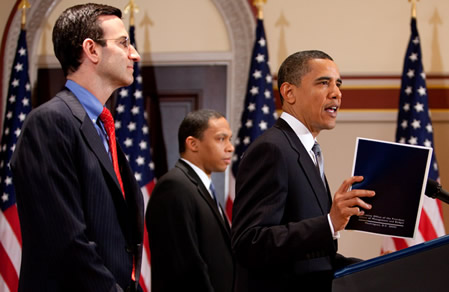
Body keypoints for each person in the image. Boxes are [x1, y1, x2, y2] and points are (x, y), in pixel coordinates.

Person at [11, 4, 144, 292]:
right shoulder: (49, 123)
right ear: (91, 50)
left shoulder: (102, 127)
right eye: (124, 43)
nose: (135, 54)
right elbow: (67, 241)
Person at [231, 50, 376, 292]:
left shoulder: (307, 150)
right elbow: (249, 242)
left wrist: (379, 267)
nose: (336, 93)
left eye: (338, 84)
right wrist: (329, 224)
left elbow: (309, 258)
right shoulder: (272, 149)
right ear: (289, 93)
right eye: (323, 83)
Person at [146, 109, 235, 292]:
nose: (230, 147)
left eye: (230, 139)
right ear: (193, 144)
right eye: (221, 139)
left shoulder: (199, 187)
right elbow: (184, 270)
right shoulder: (174, 187)